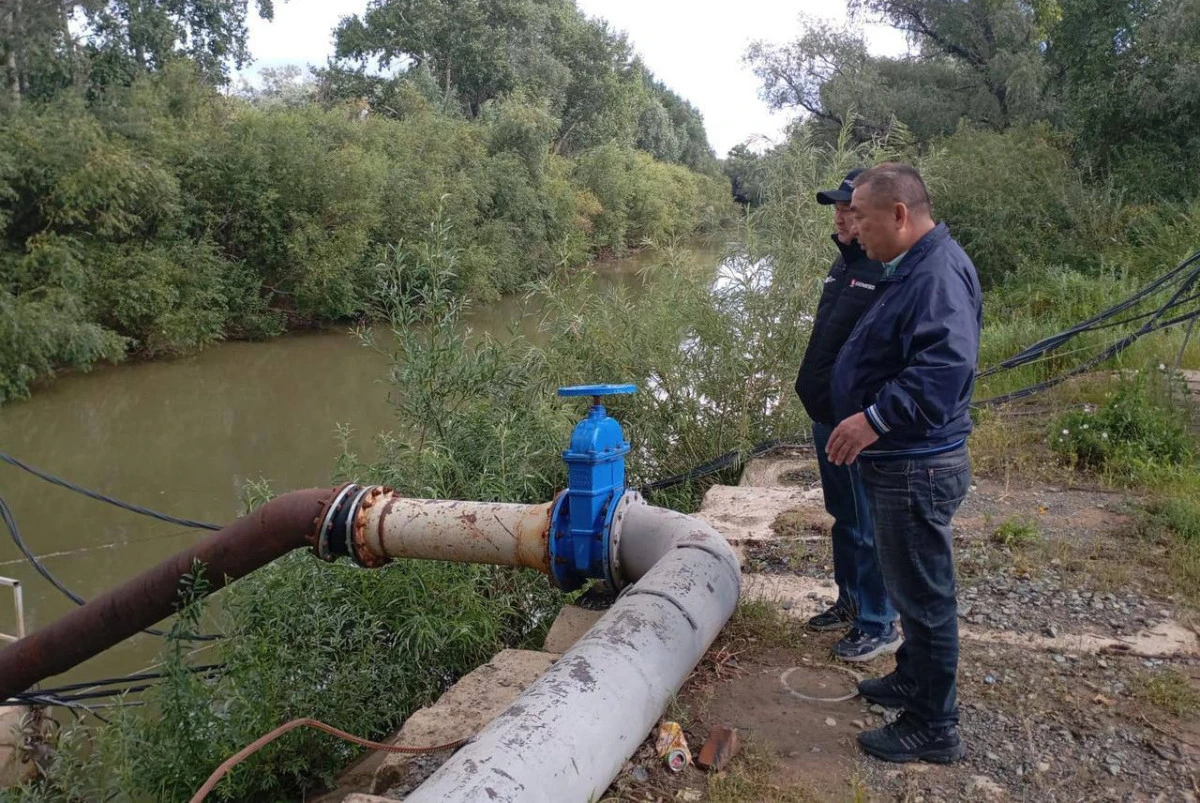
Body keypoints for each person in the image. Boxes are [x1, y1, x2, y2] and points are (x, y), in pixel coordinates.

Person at [825, 162, 981, 763]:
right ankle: (913, 680)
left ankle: (933, 726)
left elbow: (943, 370)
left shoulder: (936, 272)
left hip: (918, 462)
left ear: (899, 214)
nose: (853, 228)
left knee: (924, 595)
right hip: (906, 459)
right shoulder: (913, 264)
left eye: (860, 216)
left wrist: (873, 419)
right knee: (910, 584)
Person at [795, 168, 900, 662]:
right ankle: (851, 601)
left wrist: (871, 419)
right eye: (837, 208)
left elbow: (892, 355)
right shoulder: (845, 266)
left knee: (867, 523)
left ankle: (879, 622)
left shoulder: (886, 271)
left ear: (871, 216)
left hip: (857, 424)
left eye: (848, 209)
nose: (839, 216)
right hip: (828, 416)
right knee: (844, 518)